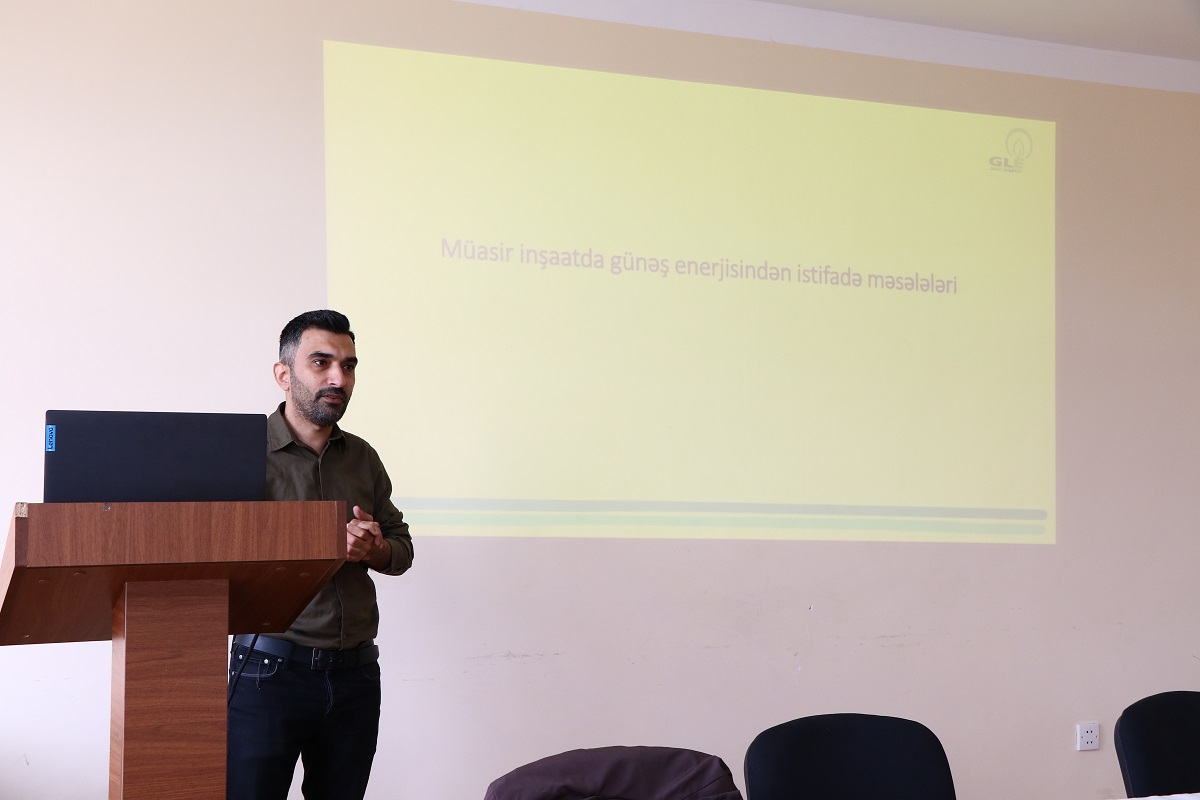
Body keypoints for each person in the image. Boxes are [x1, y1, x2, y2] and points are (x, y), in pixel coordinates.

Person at [227, 309, 414, 800]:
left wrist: (375, 548)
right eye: (321, 362)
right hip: (268, 673)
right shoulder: (240, 454)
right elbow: (213, 552)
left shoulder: (363, 457)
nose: (338, 378)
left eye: (348, 366)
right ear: (283, 374)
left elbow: (402, 549)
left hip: (355, 677)